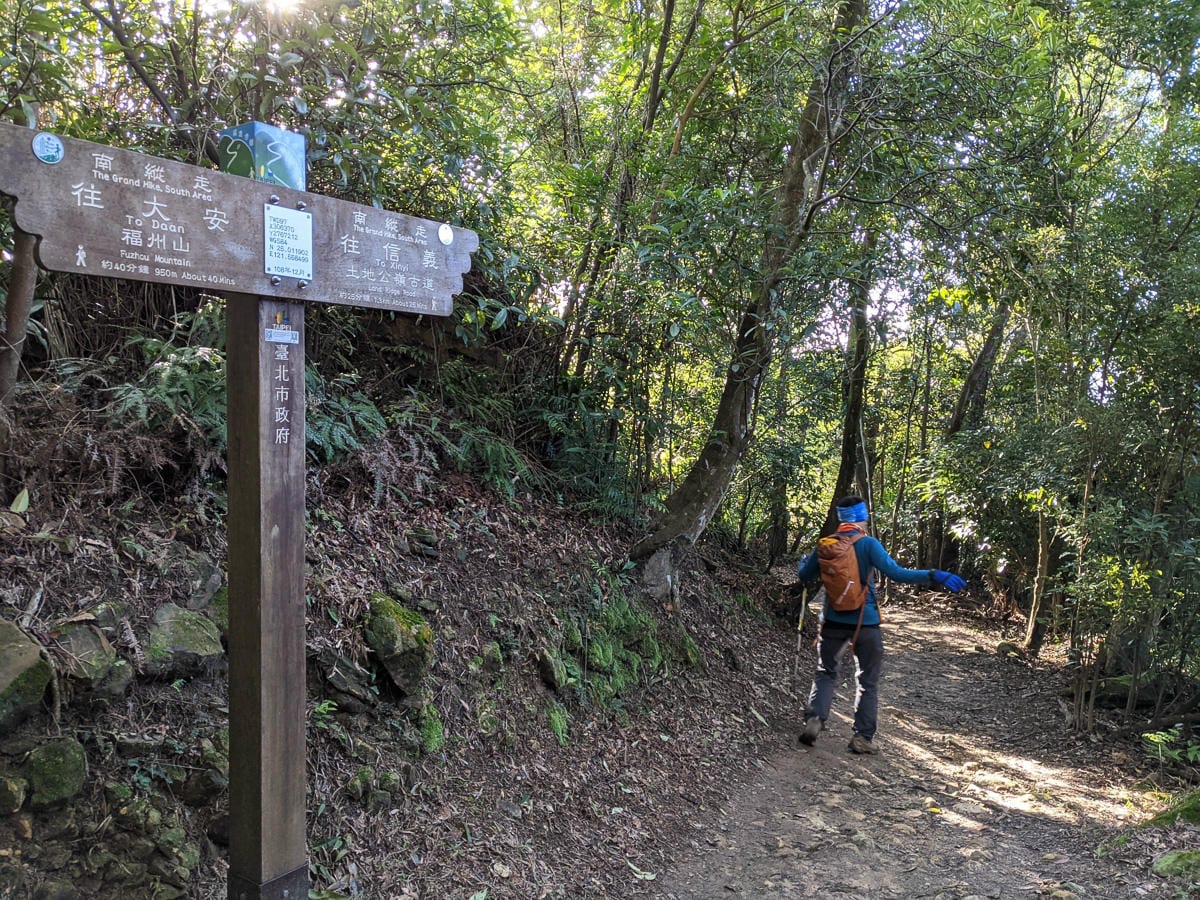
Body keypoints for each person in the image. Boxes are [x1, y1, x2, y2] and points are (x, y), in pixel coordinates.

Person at [796, 495, 966, 754]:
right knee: (867, 680)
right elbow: (897, 573)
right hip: (867, 622)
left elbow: (804, 575)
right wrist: (933, 575)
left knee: (826, 671)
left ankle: (815, 719)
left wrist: (804, 564)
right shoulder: (868, 544)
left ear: (840, 519)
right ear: (862, 518)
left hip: (832, 621)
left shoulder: (826, 545)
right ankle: (862, 738)